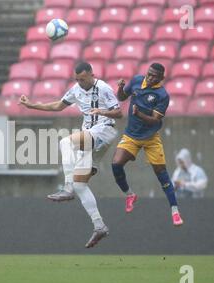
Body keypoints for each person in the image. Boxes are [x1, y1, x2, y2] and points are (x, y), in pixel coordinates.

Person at [18, 61, 123, 248]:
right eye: (77, 80)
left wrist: (102, 111)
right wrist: (32, 106)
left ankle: (66, 188)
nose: (80, 83)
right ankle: (99, 226)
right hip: (92, 138)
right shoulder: (76, 89)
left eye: (83, 79)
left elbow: (119, 113)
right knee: (80, 185)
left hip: (104, 131)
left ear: (91, 74)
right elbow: (58, 106)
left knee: (65, 142)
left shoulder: (103, 88)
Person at [111, 63, 184, 226]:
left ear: (161, 78)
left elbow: (155, 120)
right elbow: (122, 98)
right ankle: (130, 195)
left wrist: (139, 114)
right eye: (149, 74)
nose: (149, 78)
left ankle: (175, 211)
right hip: (131, 135)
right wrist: (121, 88)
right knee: (116, 164)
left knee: (161, 173)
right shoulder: (137, 80)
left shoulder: (162, 95)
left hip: (151, 137)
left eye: (154, 76)